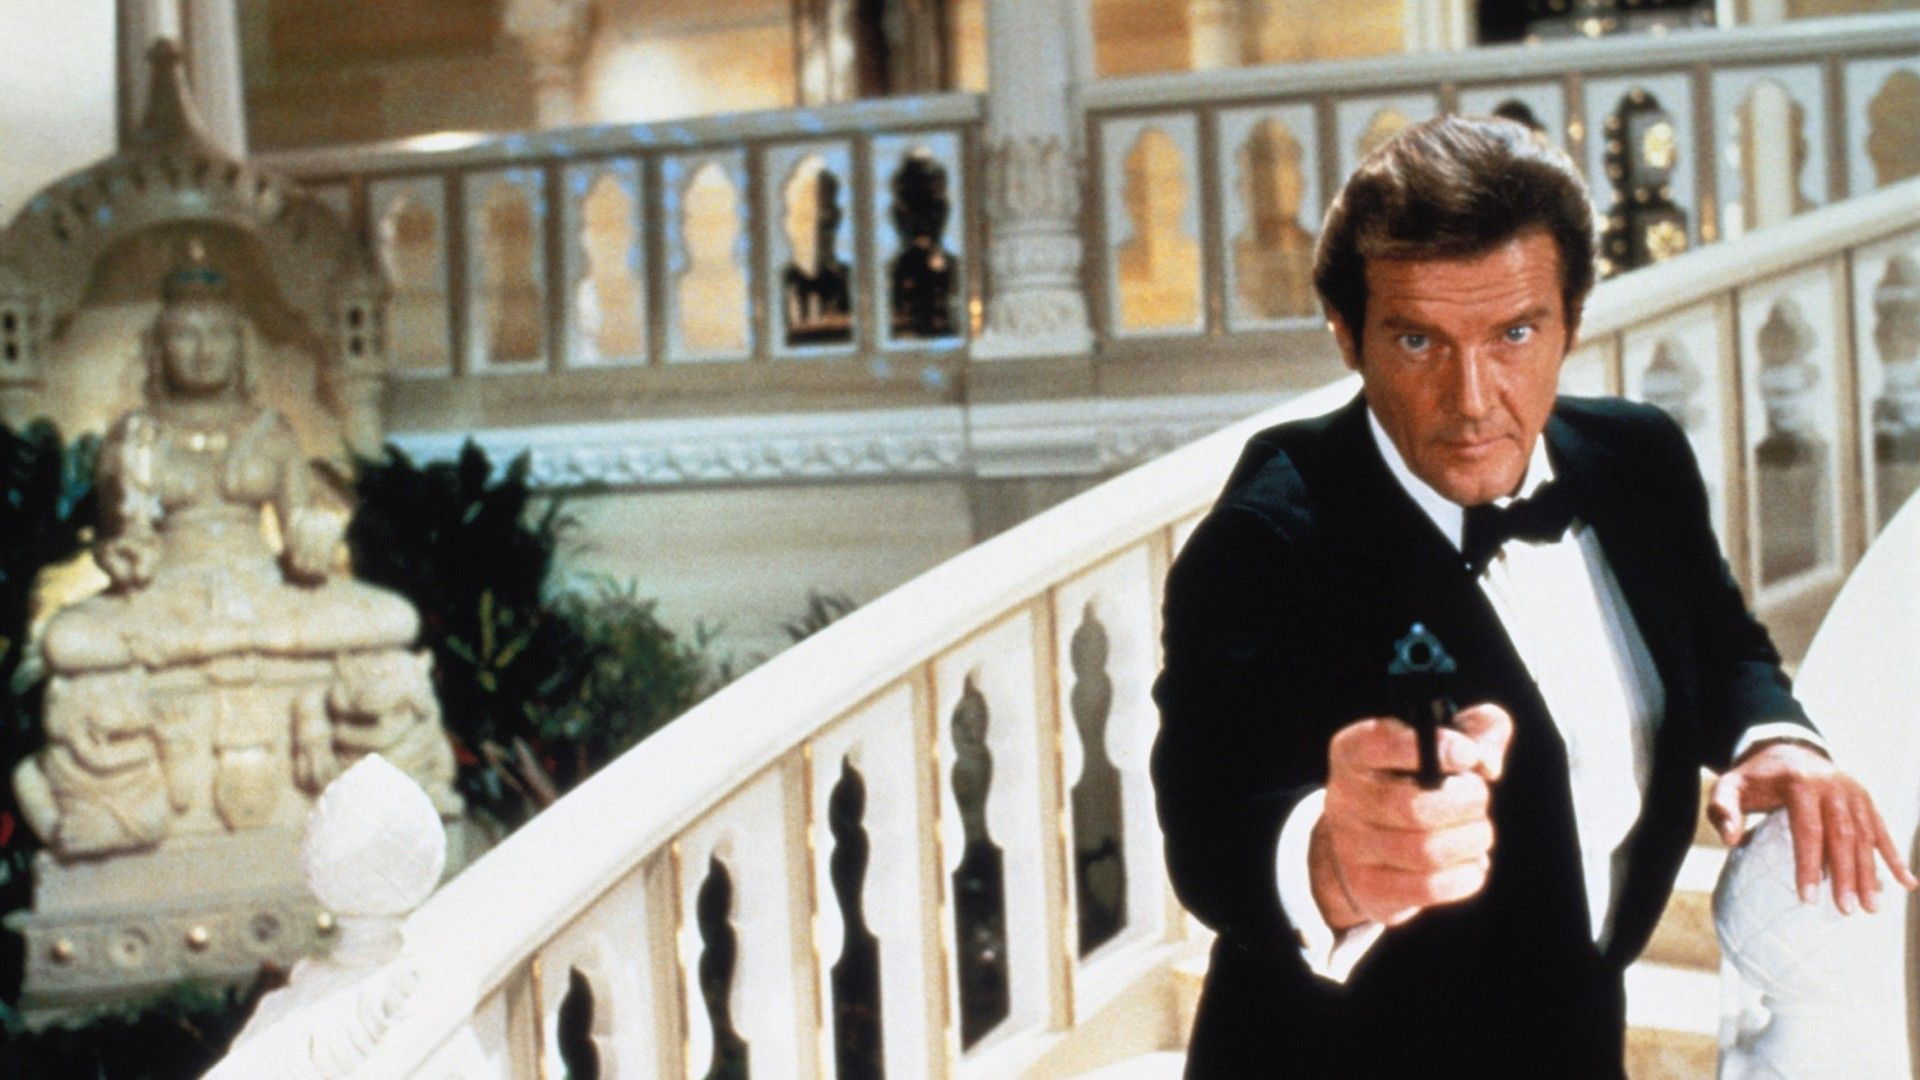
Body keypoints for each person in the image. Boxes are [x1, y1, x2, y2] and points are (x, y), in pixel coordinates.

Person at [1149, 115, 1917, 1078]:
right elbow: (1212, 827)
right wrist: (1332, 863)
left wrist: (1774, 742)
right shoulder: (1264, 537)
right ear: (1347, 336)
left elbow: (1722, 644)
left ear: (1572, 322)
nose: (1472, 397)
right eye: (1418, 340)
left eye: (1514, 333)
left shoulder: (1636, 456)